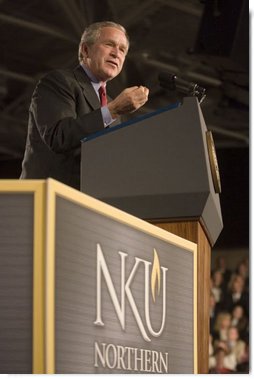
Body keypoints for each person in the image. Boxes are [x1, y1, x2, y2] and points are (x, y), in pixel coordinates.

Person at [20, 21, 149, 189]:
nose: (117, 53)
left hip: (91, 201)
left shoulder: (114, 106)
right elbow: (59, 137)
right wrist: (114, 110)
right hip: (48, 197)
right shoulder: (60, 82)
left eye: (122, 49)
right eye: (109, 44)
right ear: (85, 49)